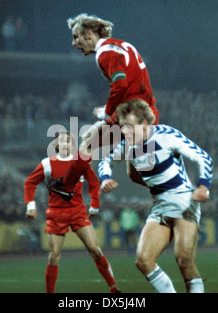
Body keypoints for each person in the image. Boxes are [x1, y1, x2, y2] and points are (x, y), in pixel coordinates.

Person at [98, 99, 213, 293]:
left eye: (130, 127)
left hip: (184, 201)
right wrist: (105, 178)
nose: (125, 132)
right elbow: (105, 161)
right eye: (123, 127)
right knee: (143, 260)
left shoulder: (166, 135)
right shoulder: (127, 145)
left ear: (144, 124)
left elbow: (202, 157)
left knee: (184, 259)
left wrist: (203, 186)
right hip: (160, 205)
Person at [47, 13, 159, 201]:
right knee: (135, 173)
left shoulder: (104, 53)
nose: (74, 43)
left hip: (131, 114)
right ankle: (172, 186)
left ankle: (67, 186)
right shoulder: (122, 45)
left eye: (76, 37)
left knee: (89, 140)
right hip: (146, 112)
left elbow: (121, 84)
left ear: (89, 34)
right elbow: (128, 84)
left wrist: (106, 111)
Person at [24, 131, 120, 293]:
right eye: (62, 141)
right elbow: (29, 183)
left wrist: (94, 205)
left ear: (72, 145)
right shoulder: (47, 164)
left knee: (95, 250)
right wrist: (30, 205)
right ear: (56, 145)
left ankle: (113, 288)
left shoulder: (79, 162)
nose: (65, 144)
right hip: (56, 213)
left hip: (78, 211)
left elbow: (94, 183)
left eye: (68, 141)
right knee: (53, 257)